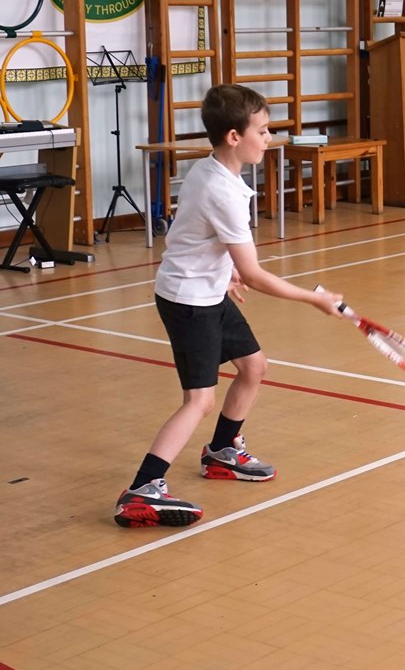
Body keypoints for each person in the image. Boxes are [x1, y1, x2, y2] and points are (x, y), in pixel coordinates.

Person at [114, 84, 344, 528]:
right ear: (235, 137)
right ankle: (142, 488)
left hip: (208, 289)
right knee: (198, 400)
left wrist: (224, 270)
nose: (270, 137)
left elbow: (193, 234)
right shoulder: (222, 189)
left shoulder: (209, 170)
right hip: (190, 301)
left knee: (254, 367)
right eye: (262, 129)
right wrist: (313, 299)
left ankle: (222, 451)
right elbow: (256, 275)